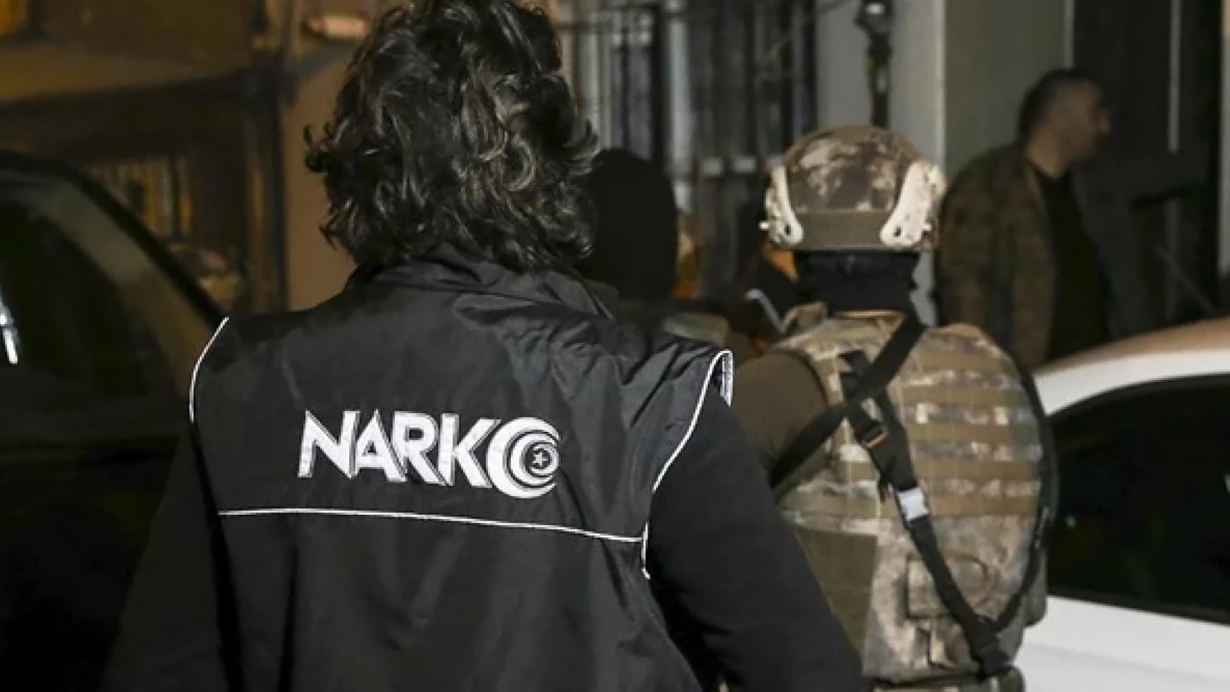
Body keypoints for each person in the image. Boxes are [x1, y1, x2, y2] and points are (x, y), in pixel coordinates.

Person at [101, 3, 862, 692]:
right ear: (554, 170)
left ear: (356, 172)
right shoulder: (651, 400)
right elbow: (803, 670)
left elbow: (161, 671)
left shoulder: (249, 386)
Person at [734, 125, 1054, 692]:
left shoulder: (781, 383)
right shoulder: (1004, 375)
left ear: (788, 233)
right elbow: (1029, 586)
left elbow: (692, 560)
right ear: (920, 232)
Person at [938, 68, 1207, 368]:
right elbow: (965, 299)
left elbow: (1170, 172)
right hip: (1033, 376)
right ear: (1060, 117)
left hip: (1102, 369)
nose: (1104, 127)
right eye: (1095, 114)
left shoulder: (1093, 186)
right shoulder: (988, 188)